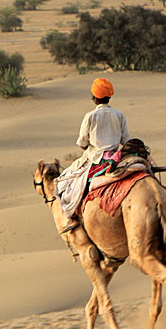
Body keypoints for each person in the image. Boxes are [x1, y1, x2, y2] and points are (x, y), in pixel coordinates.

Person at [55, 78, 130, 233]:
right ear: (109, 97)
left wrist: (87, 145)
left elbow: (82, 142)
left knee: (66, 181)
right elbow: (126, 140)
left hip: (96, 159)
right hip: (117, 156)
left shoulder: (90, 116)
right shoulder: (119, 115)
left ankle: (73, 216)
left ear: (95, 98)